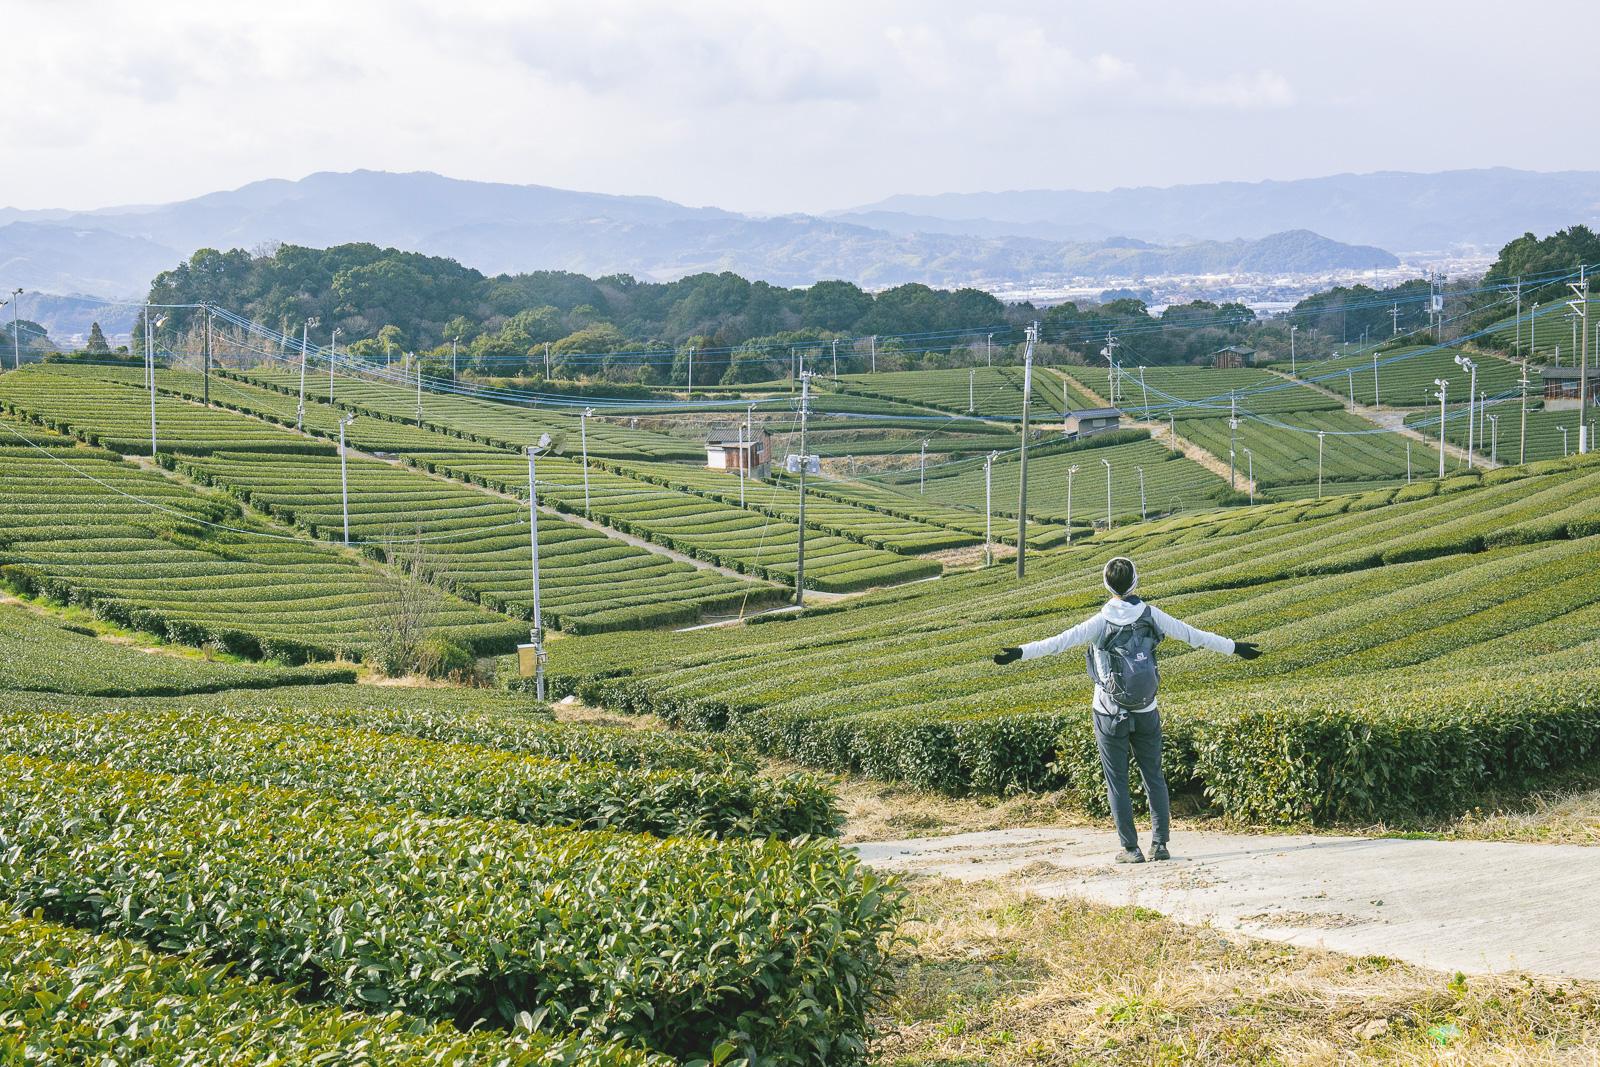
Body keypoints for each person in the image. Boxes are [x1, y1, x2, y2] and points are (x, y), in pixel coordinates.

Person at [992, 556, 1261, 864]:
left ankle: (1130, 849)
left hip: (1108, 711)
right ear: (1136, 581)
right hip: (1147, 707)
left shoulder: (1098, 623)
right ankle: (1159, 844)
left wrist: (1019, 653)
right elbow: (1193, 636)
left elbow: (1057, 643)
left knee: (1117, 780)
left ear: (1107, 586)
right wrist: (1235, 647)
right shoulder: (1151, 615)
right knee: (1153, 776)